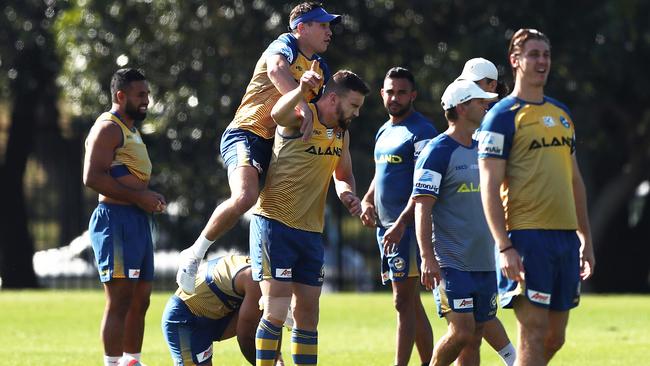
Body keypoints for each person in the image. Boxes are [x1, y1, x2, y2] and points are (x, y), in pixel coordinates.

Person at [176, 2, 341, 294]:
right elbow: (277, 70)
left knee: (279, 212)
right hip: (247, 133)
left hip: (279, 146)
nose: (329, 31)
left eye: (330, 26)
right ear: (302, 28)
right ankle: (194, 254)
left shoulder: (321, 68)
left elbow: (323, 110)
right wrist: (301, 100)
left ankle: (273, 294)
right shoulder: (284, 44)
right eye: (323, 25)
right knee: (245, 196)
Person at [477, 28, 596, 365]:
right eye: (533, 54)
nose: (542, 60)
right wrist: (504, 246)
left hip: (565, 239)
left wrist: (585, 237)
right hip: (527, 238)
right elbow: (489, 184)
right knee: (533, 330)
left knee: (554, 337)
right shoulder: (501, 117)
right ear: (515, 60)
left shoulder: (561, 114)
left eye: (545, 54)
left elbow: (575, 181)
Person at [250, 64, 369, 366]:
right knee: (276, 310)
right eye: (353, 105)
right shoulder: (302, 115)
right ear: (333, 99)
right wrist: (300, 90)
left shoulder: (341, 134)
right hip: (275, 224)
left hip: (311, 233)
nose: (356, 113)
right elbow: (278, 114)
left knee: (308, 315)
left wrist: (347, 194)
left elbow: (344, 174)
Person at [83, 68, 166, 366]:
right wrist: (139, 197)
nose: (147, 100)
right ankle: (113, 363)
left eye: (147, 93)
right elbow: (91, 177)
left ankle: (133, 361)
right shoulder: (108, 128)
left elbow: (128, 178)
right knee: (120, 299)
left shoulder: (130, 128)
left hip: (137, 220)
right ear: (121, 96)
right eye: (140, 94)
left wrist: (148, 197)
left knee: (140, 299)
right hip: (115, 221)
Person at [413, 80, 499, 366]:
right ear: (462, 108)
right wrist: (427, 257)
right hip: (452, 262)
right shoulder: (437, 151)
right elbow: (422, 207)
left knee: (474, 336)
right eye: (480, 101)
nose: (486, 105)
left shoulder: (483, 148)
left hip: (485, 262)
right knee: (461, 332)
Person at [359, 67, 435, 366]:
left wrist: (402, 223)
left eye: (402, 92)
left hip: (408, 229)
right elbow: (382, 173)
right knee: (411, 302)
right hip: (386, 229)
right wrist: (367, 199)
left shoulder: (422, 132)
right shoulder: (384, 130)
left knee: (402, 301)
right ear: (381, 94)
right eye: (390, 91)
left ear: (413, 95)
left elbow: (423, 187)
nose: (395, 97)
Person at [456, 57, 517, 366]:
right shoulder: (470, 118)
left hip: (489, 232)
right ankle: (513, 358)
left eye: (478, 86)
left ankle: (514, 358)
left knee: (475, 320)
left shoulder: (500, 119)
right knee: (470, 323)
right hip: (465, 232)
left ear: (492, 86)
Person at [162, 254, 285, 365]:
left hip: (213, 313)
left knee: (269, 311)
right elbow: (245, 337)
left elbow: (273, 319)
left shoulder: (264, 271)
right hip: (184, 317)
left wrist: (277, 357)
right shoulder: (256, 280)